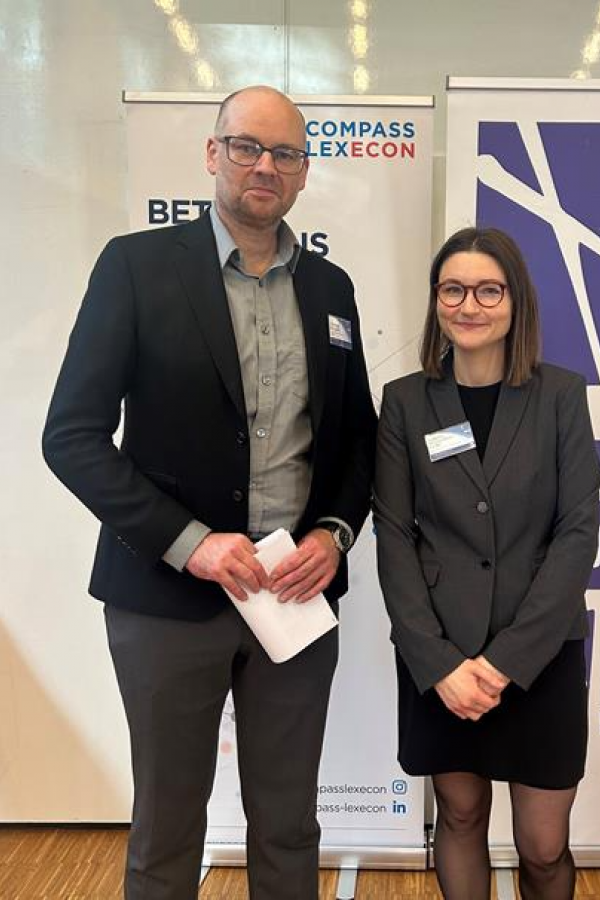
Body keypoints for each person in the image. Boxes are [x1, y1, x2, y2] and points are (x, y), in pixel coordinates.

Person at [42, 86, 376, 900]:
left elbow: (358, 440)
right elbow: (72, 437)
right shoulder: (135, 267)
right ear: (212, 153)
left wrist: (333, 534)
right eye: (246, 146)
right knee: (167, 829)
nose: (265, 166)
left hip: (293, 596)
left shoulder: (331, 289)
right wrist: (191, 543)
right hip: (165, 599)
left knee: (289, 825)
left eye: (285, 153)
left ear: (304, 172)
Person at [374, 227, 600, 900]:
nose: (468, 305)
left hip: (540, 652)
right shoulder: (406, 401)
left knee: (543, 846)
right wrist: (438, 663)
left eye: (487, 290)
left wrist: (505, 663)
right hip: (442, 655)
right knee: (460, 816)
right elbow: (394, 533)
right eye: (453, 289)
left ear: (515, 301)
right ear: (436, 301)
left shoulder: (561, 395)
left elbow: (576, 531)